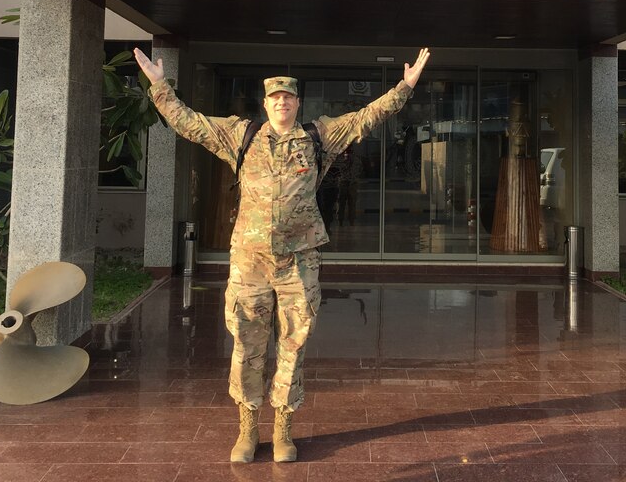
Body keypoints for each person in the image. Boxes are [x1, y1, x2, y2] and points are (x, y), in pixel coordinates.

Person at [133, 47, 431, 463]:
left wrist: (405, 86)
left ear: (297, 102)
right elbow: (190, 123)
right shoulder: (242, 135)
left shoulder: (318, 136)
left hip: (299, 261)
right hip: (250, 262)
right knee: (247, 344)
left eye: (289, 97)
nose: (282, 103)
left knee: (293, 344)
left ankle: (283, 428)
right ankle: (247, 429)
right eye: (275, 98)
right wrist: (159, 86)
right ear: (266, 102)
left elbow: (367, 117)